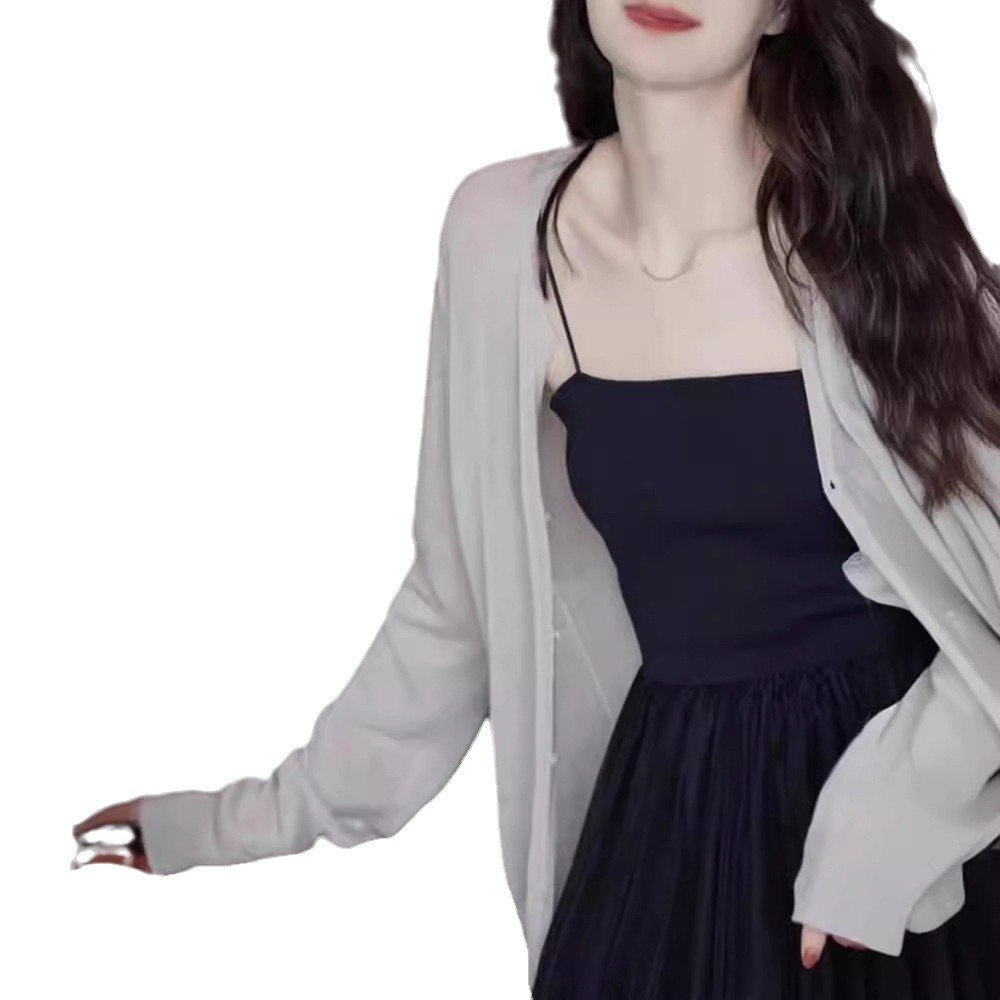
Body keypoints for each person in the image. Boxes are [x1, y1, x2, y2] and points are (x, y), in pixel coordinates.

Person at [73, 1, 1000, 996]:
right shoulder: (499, 239)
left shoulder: (884, 249)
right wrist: (223, 825)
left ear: (781, 9)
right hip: (668, 817)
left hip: (897, 844)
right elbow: (454, 607)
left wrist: (887, 824)